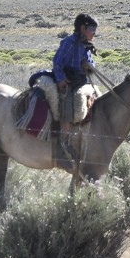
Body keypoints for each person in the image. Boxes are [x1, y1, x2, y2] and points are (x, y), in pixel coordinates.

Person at [52, 13, 98, 157]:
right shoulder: (69, 42)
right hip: (69, 81)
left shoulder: (86, 46)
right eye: (92, 30)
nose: (94, 34)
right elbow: (57, 62)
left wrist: (89, 66)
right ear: (83, 28)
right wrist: (60, 79)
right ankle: (64, 143)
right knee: (68, 106)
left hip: (81, 81)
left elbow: (91, 64)